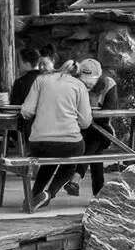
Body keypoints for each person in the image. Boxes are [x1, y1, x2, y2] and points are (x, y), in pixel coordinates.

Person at [17, 55, 92, 209]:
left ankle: (32, 196)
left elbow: (26, 111)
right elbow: (85, 123)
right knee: (73, 159)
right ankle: (49, 193)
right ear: (76, 74)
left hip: (38, 143)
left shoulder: (41, 80)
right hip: (69, 142)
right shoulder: (79, 86)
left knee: (49, 158)